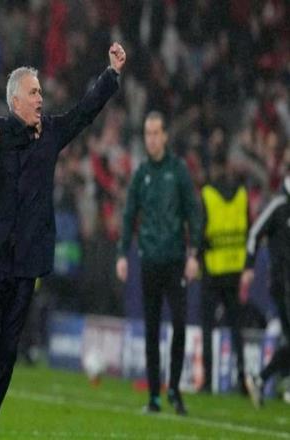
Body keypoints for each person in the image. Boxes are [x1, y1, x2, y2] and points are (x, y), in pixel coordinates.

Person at [0, 42, 126, 440]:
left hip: (28, 264)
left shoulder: (52, 133)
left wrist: (111, 74)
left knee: (7, 355)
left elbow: (85, 111)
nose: (41, 98)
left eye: (41, 91)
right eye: (33, 92)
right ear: (15, 102)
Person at [116, 111, 201, 415]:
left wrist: (194, 254)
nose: (151, 139)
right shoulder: (141, 173)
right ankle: (154, 396)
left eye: (155, 133)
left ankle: (174, 389)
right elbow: (129, 215)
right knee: (151, 328)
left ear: (165, 136)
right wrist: (122, 253)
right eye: (147, 133)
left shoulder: (178, 170)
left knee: (179, 324)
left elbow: (194, 212)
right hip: (149, 260)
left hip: (176, 260)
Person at [199, 152, 248, 394]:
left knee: (208, 326)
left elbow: (200, 232)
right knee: (236, 326)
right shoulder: (241, 195)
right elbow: (247, 229)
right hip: (235, 269)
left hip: (213, 269)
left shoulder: (208, 195)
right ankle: (242, 378)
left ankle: (208, 380)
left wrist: (197, 257)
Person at [242, 172, 290, 408]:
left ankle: (262, 379)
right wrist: (249, 266)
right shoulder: (279, 206)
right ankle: (271, 380)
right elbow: (254, 233)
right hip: (283, 284)